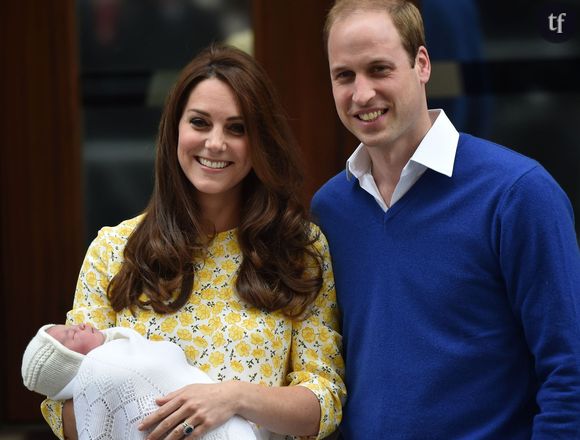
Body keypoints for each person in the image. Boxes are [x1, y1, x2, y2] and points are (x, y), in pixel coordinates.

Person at [40, 43, 345, 440]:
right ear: (175, 130)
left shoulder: (298, 249)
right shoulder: (113, 251)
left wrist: (233, 398)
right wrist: (144, 409)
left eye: (237, 128)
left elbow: (324, 400)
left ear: (261, 141)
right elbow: (60, 408)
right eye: (200, 122)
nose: (215, 143)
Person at [311, 0, 580, 438]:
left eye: (379, 69)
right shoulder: (330, 209)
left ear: (421, 64)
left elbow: (570, 375)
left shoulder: (518, 194)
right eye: (344, 75)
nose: (361, 94)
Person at [22, 323, 257, 439]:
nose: (80, 325)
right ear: (69, 362)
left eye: (71, 327)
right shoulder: (105, 367)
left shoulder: (117, 353)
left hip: (225, 413)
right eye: (71, 335)